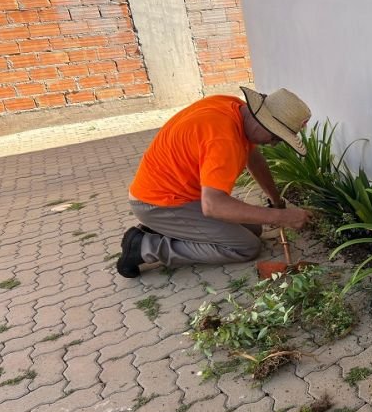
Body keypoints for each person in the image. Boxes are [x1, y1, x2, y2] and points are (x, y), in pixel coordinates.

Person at [116, 86, 312, 278]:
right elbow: (214, 206)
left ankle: (171, 229)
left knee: (255, 228)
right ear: (263, 122)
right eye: (276, 137)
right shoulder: (224, 139)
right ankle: (144, 246)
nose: (273, 144)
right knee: (245, 247)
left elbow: (254, 160)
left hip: (180, 195)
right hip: (157, 204)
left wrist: (276, 203)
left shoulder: (235, 108)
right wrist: (281, 217)